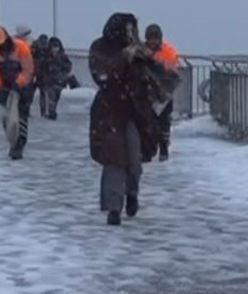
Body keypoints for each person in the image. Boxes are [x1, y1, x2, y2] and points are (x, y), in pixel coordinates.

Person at [90, 13, 163, 226]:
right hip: (109, 112)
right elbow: (102, 75)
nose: (131, 34)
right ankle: (114, 207)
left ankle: (132, 192)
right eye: (128, 29)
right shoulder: (100, 48)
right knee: (114, 161)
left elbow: (149, 79)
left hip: (133, 112)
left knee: (134, 159)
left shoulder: (138, 49)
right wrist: (124, 57)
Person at [0, 26, 36, 160]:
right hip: (4, 87)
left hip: (23, 87)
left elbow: (28, 69)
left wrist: (18, 83)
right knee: (7, 118)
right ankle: (12, 142)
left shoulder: (21, 47)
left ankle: (19, 145)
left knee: (21, 116)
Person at [144, 23, 180, 161]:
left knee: (164, 121)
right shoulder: (141, 50)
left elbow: (171, 71)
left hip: (164, 91)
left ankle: (164, 149)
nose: (153, 41)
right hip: (146, 91)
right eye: (150, 38)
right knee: (147, 121)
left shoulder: (168, 51)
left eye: (155, 38)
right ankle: (148, 149)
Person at [38, 37, 73, 120]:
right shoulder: (46, 57)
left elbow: (68, 66)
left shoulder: (62, 56)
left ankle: (52, 110)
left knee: (56, 97)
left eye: (57, 47)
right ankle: (51, 112)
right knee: (51, 97)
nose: (55, 49)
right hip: (49, 81)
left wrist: (63, 73)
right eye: (53, 47)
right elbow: (42, 68)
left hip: (59, 81)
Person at [32, 34, 51, 117]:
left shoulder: (47, 49)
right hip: (35, 74)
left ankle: (43, 112)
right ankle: (42, 112)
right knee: (31, 94)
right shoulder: (34, 48)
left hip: (42, 74)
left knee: (43, 94)